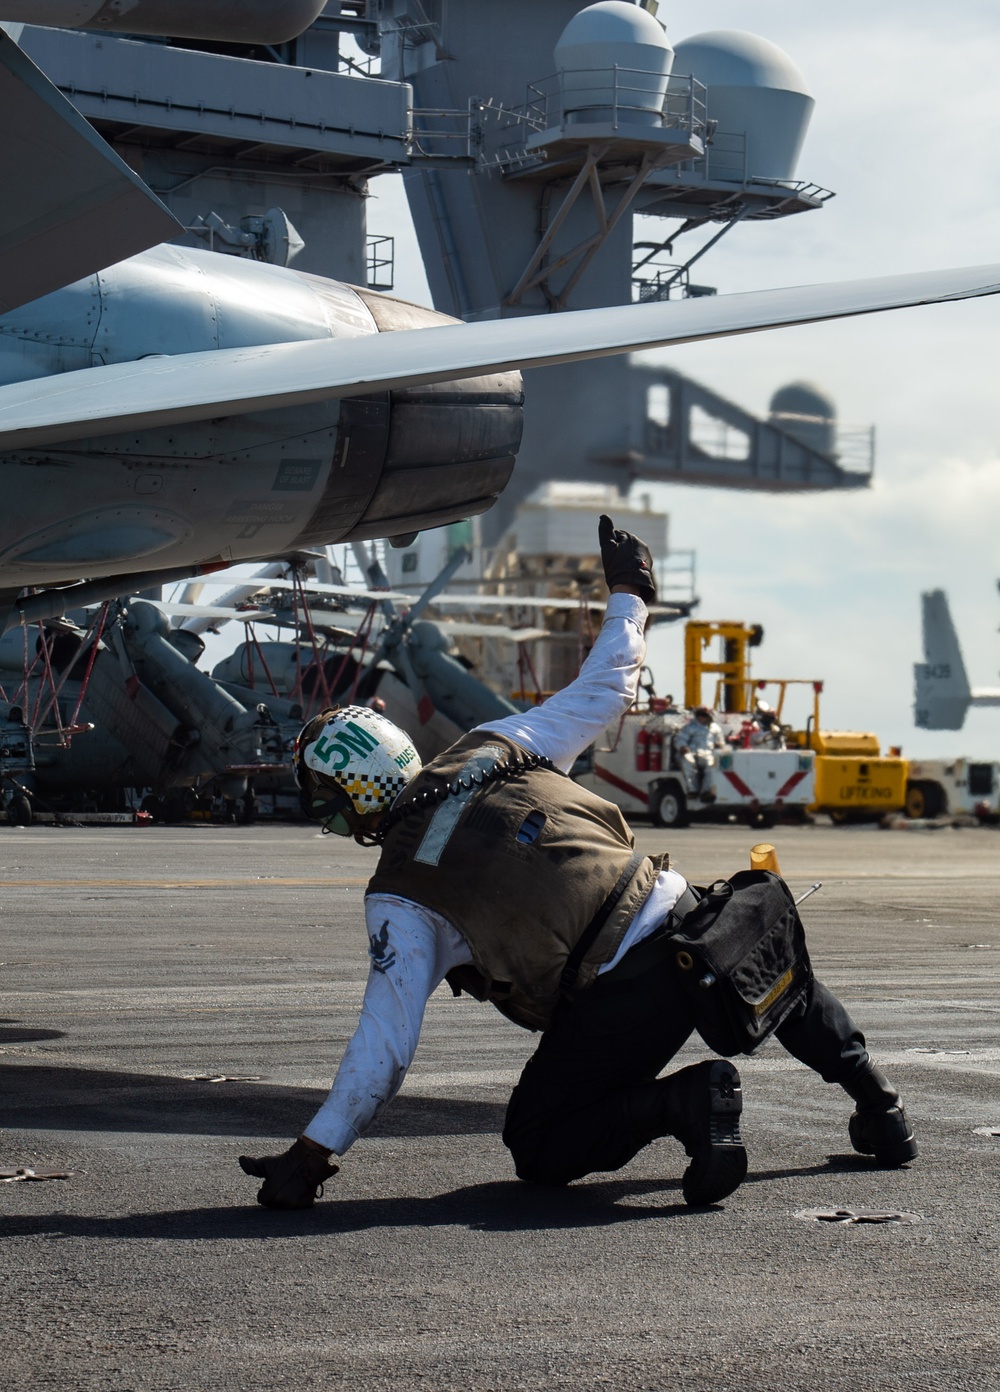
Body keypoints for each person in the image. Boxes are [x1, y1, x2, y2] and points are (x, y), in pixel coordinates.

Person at [239, 516, 917, 1211]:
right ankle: (883, 1111)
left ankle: (686, 1101)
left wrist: (314, 1154)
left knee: (537, 1142)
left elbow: (384, 1047)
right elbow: (609, 685)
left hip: (621, 997)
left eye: (329, 809)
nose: (331, 824)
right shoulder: (495, 745)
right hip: (686, 917)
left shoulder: (401, 896)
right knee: (773, 970)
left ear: (354, 799)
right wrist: (630, 589)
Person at [674, 705, 726, 799]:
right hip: (691, 752)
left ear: (709, 716)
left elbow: (721, 742)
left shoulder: (715, 729)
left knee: (711, 765)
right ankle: (692, 790)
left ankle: (705, 791)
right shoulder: (690, 727)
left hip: (707, 754)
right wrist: (682, 747)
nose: (700, 717)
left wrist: (719, 745)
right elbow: (680, 738)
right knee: (688, 762)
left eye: (703, 715)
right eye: (698, 714)